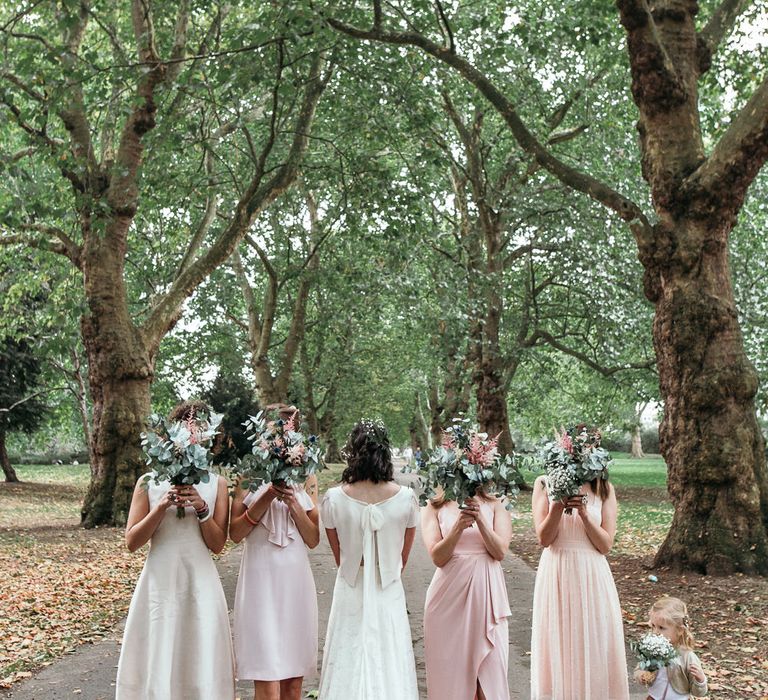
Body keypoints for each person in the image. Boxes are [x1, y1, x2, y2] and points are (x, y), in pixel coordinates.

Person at [116, 401, 235, 700]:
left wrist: (202, 507)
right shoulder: (148, 482)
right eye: (188, 427)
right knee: (160, 647)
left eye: (201, 429)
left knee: (198, 652)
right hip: (160, 580)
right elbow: (132, 541)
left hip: (200, 581)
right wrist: (160, 507)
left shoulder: (218, 484)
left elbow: (218, 545)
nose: (195, 433)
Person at [318, 419, 419, 700]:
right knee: (389, 652)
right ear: (384, 452)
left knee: (347, 650)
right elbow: (403, 557)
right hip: (388, 586)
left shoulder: (333, 499)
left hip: (350, 584)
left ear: (352, 452)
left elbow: (340, 557)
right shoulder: (406, 499)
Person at [230, 404, 320, 700]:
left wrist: (294, 503)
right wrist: (268, 494)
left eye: (285, 428)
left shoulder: (307, 476)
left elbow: (313, 538)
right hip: (260, 579)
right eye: (274, 428)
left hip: (295, 579)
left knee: (293, 684)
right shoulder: (247, 475)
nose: (279, 433)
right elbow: (235, 533)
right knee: (267, 678)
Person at [530, 473, 629, 700]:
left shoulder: (605, 488)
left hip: (591, 575)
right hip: (557, 571)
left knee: (593, 644)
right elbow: (544, 539)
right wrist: (558, 505)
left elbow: (605, 545)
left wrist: (584, 514)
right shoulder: (544, 483)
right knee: (558, 647)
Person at [422, 490, 512, 700]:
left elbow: (500, 552)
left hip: (488, 595)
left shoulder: (498, 500)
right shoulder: (434, 504)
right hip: (448, 600)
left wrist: (480, 519)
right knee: (452, 680)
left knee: (491, 676)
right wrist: (458, 526)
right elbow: (438, 557)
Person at [634, 597, 708, 699]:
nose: (655, 632)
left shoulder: (687, 657)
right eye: (653, 626)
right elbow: (639, 668)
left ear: (680, 630)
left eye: (661, 628)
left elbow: (698, 693)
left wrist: (700, 680)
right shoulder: (652, 649)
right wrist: (641, 675)